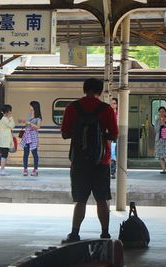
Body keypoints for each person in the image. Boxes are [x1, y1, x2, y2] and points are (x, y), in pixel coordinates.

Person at [61, 78, 118, 242]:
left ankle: (74, 233)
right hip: (102, 161)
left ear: (84, 89)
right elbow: (114, 134)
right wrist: (101, 135)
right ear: (100, 91)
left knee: (80, 200)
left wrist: (80, 135)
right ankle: (105, 233)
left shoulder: (72, 108)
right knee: (102, 200)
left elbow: (65, 134)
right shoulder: (106, 109)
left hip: (79, 162)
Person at [18, 101, 42, 176]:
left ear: (34, 107)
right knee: (25, 153)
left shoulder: (38, 118)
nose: (29, 107)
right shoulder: (29, 114)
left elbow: (38, 127)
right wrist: (22, 121)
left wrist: (29, 123)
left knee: (34, 153)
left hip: (33, 135)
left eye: (30, 105)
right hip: (26, 135)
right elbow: (27, 124)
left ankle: (35, 170)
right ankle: (25, 169)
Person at [0, 104, 15, 176]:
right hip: (4, 141)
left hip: (2, 141)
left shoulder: (0, 119)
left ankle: (3, 169)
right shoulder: (5, 119)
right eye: (10, 111)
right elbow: (12, 125)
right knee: (4, 155)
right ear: (6, 112)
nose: (10, 113)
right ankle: (2, 170)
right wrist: (11, 118)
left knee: (4, 155)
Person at [154, 106, 166, 175]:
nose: (161, 113)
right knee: (160, 155)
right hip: (159, 140)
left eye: (163, 111)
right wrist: (160, 124)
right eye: (160, 112)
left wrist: (164, 124)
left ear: (165, 112)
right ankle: (163, 169)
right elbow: (156, 130)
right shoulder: (157, 121)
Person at [110, 98, 118, 179]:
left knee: (116, 154)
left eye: (115, 103)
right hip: (111, 136)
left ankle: (114, 171)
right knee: (112, 154)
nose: (113, 105)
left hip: (118, 136)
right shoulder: (108, 113)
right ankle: (112, 172)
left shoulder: (120, 114)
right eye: (112, 103)